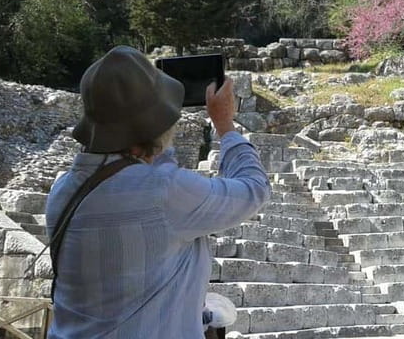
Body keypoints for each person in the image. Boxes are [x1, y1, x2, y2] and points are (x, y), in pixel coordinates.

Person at [45, 45, 271, 338]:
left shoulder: (62, 191)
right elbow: (254, 189)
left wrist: (154, 132)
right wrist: (225, 125)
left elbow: (145, 164)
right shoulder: (164, 193)